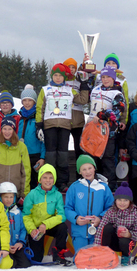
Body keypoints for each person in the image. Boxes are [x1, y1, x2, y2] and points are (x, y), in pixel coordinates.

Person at [36, 63, 89, 192]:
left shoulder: (69, 90)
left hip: (65, 126)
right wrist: (39, 125)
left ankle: (62, 182)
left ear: (64, 77)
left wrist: (84, 84)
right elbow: (40, 108)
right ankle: (49, 181)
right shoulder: (45, 89)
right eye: (55, 75)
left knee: (63, 155)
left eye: (60, 75)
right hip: (50, 125)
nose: (58, 78)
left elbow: (82, 100)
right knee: (50, 155)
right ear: (51, 76)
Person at [85, 65, 127, 190]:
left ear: (113, 78)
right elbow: (85, 96)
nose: (105, 79)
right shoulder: (95, 90)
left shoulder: (117, 93)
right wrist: (89, 73)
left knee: (108, 160)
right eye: (103, 77)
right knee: (92, 159)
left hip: (108, 133)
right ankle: (91, 185)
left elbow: (117, 112)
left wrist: (101, 115)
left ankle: (110, 187)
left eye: (108, 76)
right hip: (92, 131)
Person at [65, 155, 114, 254]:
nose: (87, 172)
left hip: (98, 231)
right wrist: (76, 219)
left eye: (90, 168)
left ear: (94, 168)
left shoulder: (103, 187)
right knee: (80, 260)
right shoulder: (74, 187)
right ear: (79, 171)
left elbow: (111, 208)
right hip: (79, 232)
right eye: (84, 169)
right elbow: (68, 208)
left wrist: (100, 218)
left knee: (95, 261)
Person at [22, 164, 70, 265]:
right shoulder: (32, 194)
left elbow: (61, 216)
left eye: (51, 178)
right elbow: (26, 215)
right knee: (36, 259)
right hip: (36, 229)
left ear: (54, 180)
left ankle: (59, 254)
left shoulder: (57, 195)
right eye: (45, 177)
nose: (48, 180)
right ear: (39, 179)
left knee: (62, 227)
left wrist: (45, 224)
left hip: (49, 226)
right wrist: (31, 230)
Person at [93, 182, 137, 266]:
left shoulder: (135, 215)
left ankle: (126, 257)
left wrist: (129, 234)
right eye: (119, 200)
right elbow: (101, 228)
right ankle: (105, 254)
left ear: (130, 201)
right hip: (112, 241)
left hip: (126, 243)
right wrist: (97, 246)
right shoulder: (110, 212)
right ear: (115, 200)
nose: (122, 203)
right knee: (107, 227)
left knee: (124, 240)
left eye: (125, 200)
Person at [0, 116, 31, 199]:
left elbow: (26, 172)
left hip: (15, 193)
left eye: (10, 129)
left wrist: (24, 193)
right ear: (1, 130)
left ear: (14, 130)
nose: (7, 132)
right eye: (4, 129)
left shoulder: (21, 147)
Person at [0, 182, 32, 268]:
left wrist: (20, 242)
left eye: (11, 197)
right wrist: (4, 245)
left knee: (25, 264)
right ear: (0, 198)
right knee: (11, 264)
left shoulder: (18, 212)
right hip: (4, 247)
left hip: (17, 246)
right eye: (6, 197)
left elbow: (23, 229)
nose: (9, 199)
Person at [18, 85, 45, 189]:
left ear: (34, 102)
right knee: (24, 181)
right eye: (25, 100)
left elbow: (43, 141)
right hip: (22, 155)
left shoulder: (38, 119)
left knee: (35, 182)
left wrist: (42, 157)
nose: (27, 103)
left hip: (35, 156)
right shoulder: (20, 119)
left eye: (30, 100)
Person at [63, 58, 86, 160]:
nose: (71, 69)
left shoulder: (78, 82)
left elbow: (83, 99)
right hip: (64, 119)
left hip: (78, 120)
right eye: (69, 67)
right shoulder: (60, 81)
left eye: (74, 67)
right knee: (63, 148)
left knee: (79, 148)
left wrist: (85, 63)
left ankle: (80, 173)